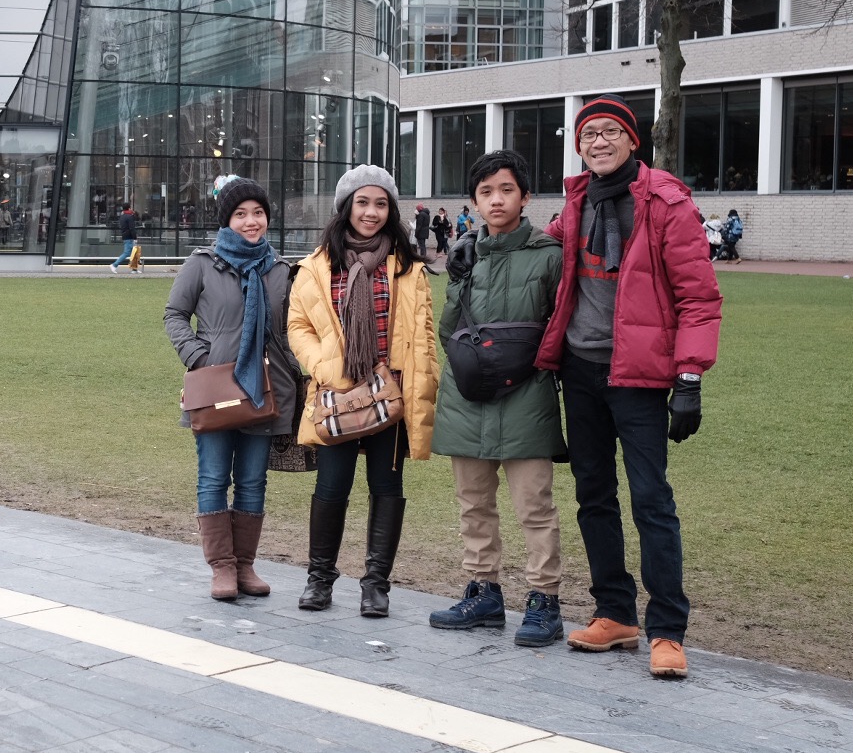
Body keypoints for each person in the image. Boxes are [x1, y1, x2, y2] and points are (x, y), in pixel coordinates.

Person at [539, 95, 722, 680]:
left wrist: (689, 377)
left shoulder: (665, 201)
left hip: (639, 376)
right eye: (588, 134)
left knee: (651, 500)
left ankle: (667, 628)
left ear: (631, 140)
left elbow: (699, 297)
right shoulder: (575, 202)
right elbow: (541, 251)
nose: (598, 141)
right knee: (594, 496)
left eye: (610, 132)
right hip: (580, 371)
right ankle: (614, 613)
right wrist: (483, 246)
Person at [287, 165, 439, 617]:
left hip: (390, 394)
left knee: (386, 485)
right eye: (362, 202)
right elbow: (298, 326)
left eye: (381, 204)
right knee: (332, 485)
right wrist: (323, 366)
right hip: (338, 393)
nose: (371, 212)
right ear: (346, 207)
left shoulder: (407, 267)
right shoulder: (318, 266)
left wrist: (418, 380)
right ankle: (319, 579)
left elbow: (425, 333)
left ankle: (376, 585)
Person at [430, 151, 568, 646]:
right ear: (473, 201)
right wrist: (458, 279)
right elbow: (448, 330)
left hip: (528, 396)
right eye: (485, 192)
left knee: (535, 505)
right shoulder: (465, 257)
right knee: (473, 504)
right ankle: (483, 591)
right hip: (468, 398)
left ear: (525, 196)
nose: (496, 200)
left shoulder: (550, 255)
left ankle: (544, 599)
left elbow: (561, 326)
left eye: (506, 190)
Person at [165, 178, 300, 601]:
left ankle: (244, 565)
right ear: (226, 220)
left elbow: (292, 329)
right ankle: (221, 566)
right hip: (215, 390)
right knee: (212, 477)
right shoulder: (202, 264)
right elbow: (174, 315)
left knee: (253, 480)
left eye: (258, 213)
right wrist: (200, 358)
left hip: (264, 390)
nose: (251, 221)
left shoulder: (280, 270)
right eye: (241, 214)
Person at [109, 202, 139, 273]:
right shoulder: (130, 216)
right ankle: (114, 265)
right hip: (130, 237)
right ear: (129, 208)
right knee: (127, 253)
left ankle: (134, 269)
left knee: (134, 252)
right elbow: (132, 228)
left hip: (125, 236)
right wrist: (135, 237)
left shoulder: (122, 216)